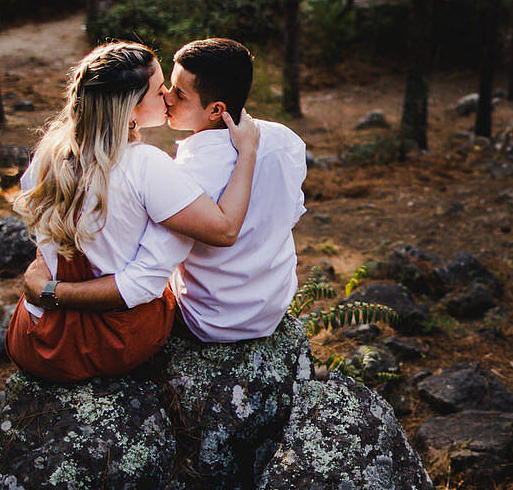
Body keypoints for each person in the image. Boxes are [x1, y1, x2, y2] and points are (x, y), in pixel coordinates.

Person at [23, 37, 308, 345]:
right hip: (273, 305)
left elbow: (161, 266)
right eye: (163, 89)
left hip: (209, 318)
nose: (168, 98)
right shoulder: (285, 140)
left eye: (177, 93)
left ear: (216, 109)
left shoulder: (178, 173)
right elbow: (287, 215)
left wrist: (49, 286)